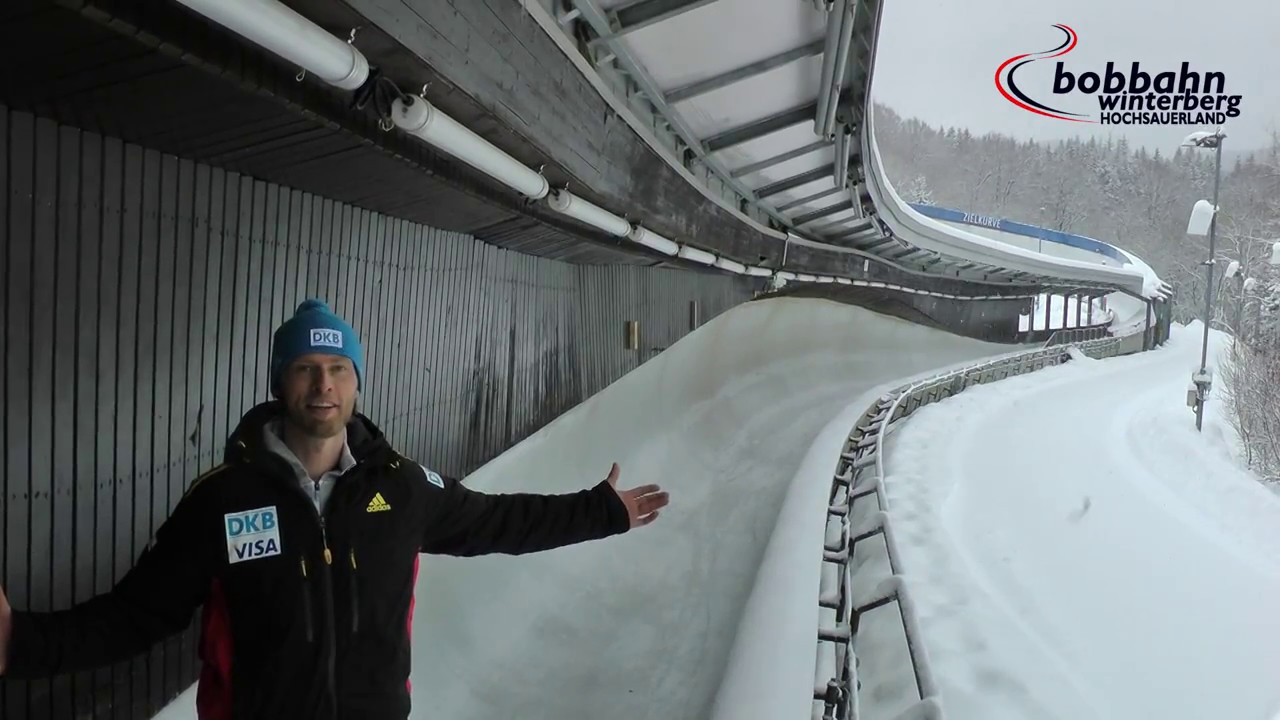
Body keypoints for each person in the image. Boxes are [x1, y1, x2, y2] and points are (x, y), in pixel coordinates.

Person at [0, 299, 668, 719]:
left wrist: (599, 510)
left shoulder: (401, 489)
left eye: (339, 368)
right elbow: (136, 614)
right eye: (306, 368)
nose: (324, 384)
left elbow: (499, 521)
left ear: (356, 383)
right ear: (280, 383)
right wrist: (21, 645)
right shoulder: (224, 500)